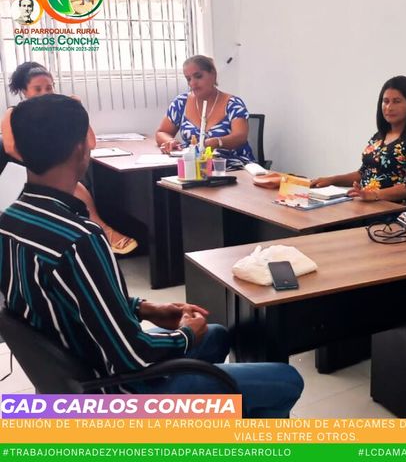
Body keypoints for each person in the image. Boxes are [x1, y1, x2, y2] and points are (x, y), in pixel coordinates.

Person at [0, 94, 303, 417]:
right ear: (82, 146)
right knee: (286, 380)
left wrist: (146, 308)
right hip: (116, 391)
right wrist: (185, 335)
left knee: (215, 335)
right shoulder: (80, 239)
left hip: (77, 365)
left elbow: (75, 299)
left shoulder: (10, 221)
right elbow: (134, 356)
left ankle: (201, 419)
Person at [0, 62, 138, 255]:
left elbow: (90, 143)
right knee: (73, 184)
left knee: (74, 180)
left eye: (49, 87)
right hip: (22, 168)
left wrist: (77, 111)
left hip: (54, 168)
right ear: (24, 91)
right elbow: (11, 148)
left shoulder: (60, 113)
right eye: (37, 89)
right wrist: (42, 163)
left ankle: (100, 230)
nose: (45, 93)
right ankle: (105, 231)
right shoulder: (14, 113)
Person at [311, 76, 406, 203]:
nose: (389, 107)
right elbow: (363, 173)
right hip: (365, 204)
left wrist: (373, 194)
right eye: (385, 101)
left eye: (396, 101)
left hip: (392, 209)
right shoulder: (379, 137)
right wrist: (331, 180)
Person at [155, 55, 255, 169]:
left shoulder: (233, 104)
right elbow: (162, 132)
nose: (192, 83)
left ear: (213, 74)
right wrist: (170, 141)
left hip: (232, 167)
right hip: (195, 168)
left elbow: (240, 136)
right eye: (188, 79)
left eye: (198, 76)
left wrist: (218, 142)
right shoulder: (181, 102)